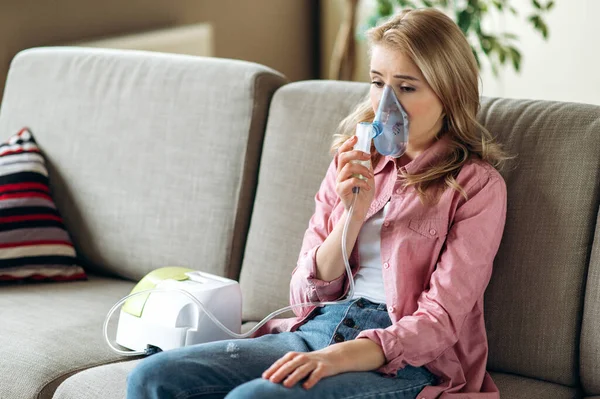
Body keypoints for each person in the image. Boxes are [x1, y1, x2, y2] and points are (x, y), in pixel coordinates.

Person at [127, 7, 508, 399]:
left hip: (404, 362)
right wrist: (352, 215)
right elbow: (303, 296)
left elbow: (440, 320)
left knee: (256, 397)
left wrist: (339, 357)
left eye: (407, 88)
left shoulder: (475, 187)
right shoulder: (352, 160)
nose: (385, 105)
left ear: (449, 93)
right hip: (318, 329)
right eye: (378, 83)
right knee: (151, 377)